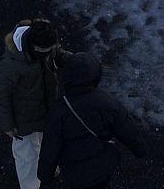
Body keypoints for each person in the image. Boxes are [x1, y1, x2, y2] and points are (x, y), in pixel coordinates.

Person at [36, 53, 148, 189]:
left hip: (75, 172)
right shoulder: (107, 102)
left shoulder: (58, 111)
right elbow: (126, 128)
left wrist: (45, 175)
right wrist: (140, 149)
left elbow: (50, 148)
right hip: (103, 166)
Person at [0, 19, 70, 189]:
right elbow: (1, 95)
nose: (49, 54)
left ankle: (47, 168)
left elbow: (57, 53)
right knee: (26, 155)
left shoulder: (45, 42)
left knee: (47, 142)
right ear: (33, 47)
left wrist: (76, 61)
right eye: (44, 51)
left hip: (46, 110)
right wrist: (8, 124)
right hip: (23, 119)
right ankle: (30, 186)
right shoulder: (10, 66)